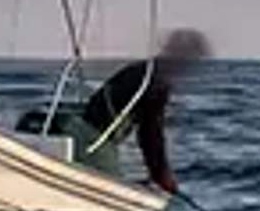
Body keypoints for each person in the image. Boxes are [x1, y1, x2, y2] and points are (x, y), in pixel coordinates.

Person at [73, 27, 210, 192]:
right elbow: (151, 133)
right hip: (95, 143)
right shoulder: (156, 82)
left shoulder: (141, 69)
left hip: (83, 132)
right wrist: (162, 176)